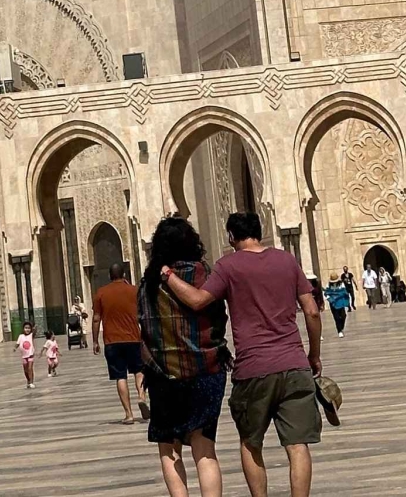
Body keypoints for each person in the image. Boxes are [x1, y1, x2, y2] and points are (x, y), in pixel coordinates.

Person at [165, 212, 322, 497]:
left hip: (253, 369)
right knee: (298, 445)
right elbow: (311, 311)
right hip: (295, 365)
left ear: (230, 236)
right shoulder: (287, 260)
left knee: (251, 443)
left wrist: (167, 275)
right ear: (259, 231)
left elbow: (197, 301)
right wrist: (314, 355)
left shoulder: (228, 266)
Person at [138, 216, 229, 497]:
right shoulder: (205, 275)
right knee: (205, 450)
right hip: (206, 371)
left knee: (169, 449)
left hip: (164, 375)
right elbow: (219, 317)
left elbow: (145, 327)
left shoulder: (149, 282)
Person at [93, 262, 149, 424]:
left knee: (120, 377)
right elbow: (143, 314)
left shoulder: (101, 293)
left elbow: (96, 319)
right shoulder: (134, 290)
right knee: (139, 371)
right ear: (124, 274)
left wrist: (95, 341)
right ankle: (141, 396)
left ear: (109, 276)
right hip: (133, 338)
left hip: (112, 341)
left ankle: (129, 414)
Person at [15, 322, 37, 389]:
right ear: (23, 329)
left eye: (29, 328)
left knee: (30, 368)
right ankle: (28, 380)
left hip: (30, 355)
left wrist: (34, 328)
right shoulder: (21, 336)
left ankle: (31, 382)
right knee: (25, 370)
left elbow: (35, 332)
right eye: (26, 328)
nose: (27, 329)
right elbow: (17, 343)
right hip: (24, 356)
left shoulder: (31, 335)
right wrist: (15, 348)